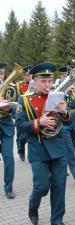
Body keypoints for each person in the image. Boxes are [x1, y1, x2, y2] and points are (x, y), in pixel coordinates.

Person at [16, 62, 70, 225]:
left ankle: (57, 220)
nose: (47, 85)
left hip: (58, 148)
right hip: (38, 149)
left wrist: (65, 113)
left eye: (49, 81)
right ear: (34, 81)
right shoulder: (24, 100)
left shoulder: (59, 96)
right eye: (43, 81)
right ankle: (33, 206)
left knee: (59, 187)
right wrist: (39, 122)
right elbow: (19, 125)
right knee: (42, 187)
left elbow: (68, 121)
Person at [0, 62, 16, 199]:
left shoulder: (10, 88)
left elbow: (18, 110)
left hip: (6, 126)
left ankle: (8, 187)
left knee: (9, 159)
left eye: (1, 73)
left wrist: (9, 108)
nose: (0, 76)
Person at [16, 65, 33, 161]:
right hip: (23, 112)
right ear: (23, 76)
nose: (29, 77)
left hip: (33, 112)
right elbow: (17, 99)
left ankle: (32, 155)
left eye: (30, 75)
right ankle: (21, 149)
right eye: (27, 75)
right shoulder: (19, 85)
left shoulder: (35, 85)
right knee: (22, 136)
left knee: (30, 134)